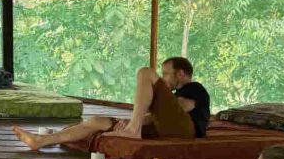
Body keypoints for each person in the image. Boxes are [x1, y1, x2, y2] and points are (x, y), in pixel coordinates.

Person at [12, 57, 210, 153]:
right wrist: (129, 120)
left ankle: (134, 129)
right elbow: (163, 115)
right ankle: (41, 141)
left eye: (166, 73)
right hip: (163, 129)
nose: (164, 78)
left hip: (186, 131)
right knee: (98, 120)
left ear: (181, 74)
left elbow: (181, 109)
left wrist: (138, 121)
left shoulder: (195, 88)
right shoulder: (171, 101)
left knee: (145, 72)